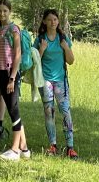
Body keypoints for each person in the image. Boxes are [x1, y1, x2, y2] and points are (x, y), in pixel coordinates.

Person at [34, 9, 78, 159]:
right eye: (49, 19)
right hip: (45, 80)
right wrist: (42, 49)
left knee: (65, 111)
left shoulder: (63, 39)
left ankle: (70, 147)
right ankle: (52, 145)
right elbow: (35, 62)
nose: (53, 22)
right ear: (44, 22)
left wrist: (66, 47)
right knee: (49, 112)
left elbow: (71, 61)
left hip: (60, 80)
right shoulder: (40, 39)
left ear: (58, 21)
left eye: (55, 19)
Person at [0, 0, 30, 160]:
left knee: (14, 110)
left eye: (5, 11)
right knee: (11, 109)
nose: (2, 13)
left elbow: (18, 55)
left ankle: (15, 150)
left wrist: (12, 78)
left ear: (10, 12)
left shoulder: (14, 29)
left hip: (10, 73)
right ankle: (24, 148)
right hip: (1, 73)